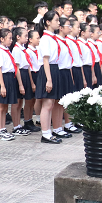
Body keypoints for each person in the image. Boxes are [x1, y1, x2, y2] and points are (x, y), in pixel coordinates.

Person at [0, 28, 25, 141]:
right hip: (2, 79)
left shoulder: (6, 50)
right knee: (0, 107)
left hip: (9, 78)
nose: (11, 40)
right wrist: (2, 86)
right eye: (9, 38)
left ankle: (3, 128)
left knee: (4, 107)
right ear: (2, 39)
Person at [35, 10, 64, 144]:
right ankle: (45, 133)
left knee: (52, 103)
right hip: (48, 70)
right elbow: (45, 60)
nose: (58, 23)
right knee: (47, 103)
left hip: (54, 68)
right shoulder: (46, 38)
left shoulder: (52, 37)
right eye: (56, 20)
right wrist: (49, 79)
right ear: (48, 22)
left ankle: (49, 131)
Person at [22, 29, 41, 132]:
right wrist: (32, 82)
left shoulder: (37, 50)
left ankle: (30, 120)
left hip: (38, 74)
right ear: (30, 40)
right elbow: (29, 67)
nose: (39, 40)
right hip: (32, 75)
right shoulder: (28, 51)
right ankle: (27, 120)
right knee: (29, 101)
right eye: (37, 38)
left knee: (34, 100)